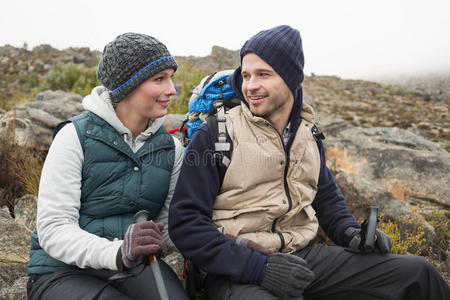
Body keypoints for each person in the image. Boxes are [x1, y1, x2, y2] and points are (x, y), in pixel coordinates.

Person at [168, 25, 450, 300]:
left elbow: (325, 197)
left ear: (291, 78)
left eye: (263, 75)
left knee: (419, 274)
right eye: (247, 75)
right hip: (236, 267)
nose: (251, 86)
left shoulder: (308, 134)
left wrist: (350, 232)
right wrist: (258, 267)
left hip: (302, 256)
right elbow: (186, 224)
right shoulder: (218, 133)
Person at [26, 32, 188, 300]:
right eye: (159, 79)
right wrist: (116, 252)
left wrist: (223, 241)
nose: (171, 89)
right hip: (61, 271)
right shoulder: (74, 136)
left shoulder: (172, 149)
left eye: (171, 77)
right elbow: (53, 229)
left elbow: (168, 229)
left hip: (135, 266)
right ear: (128, 86)